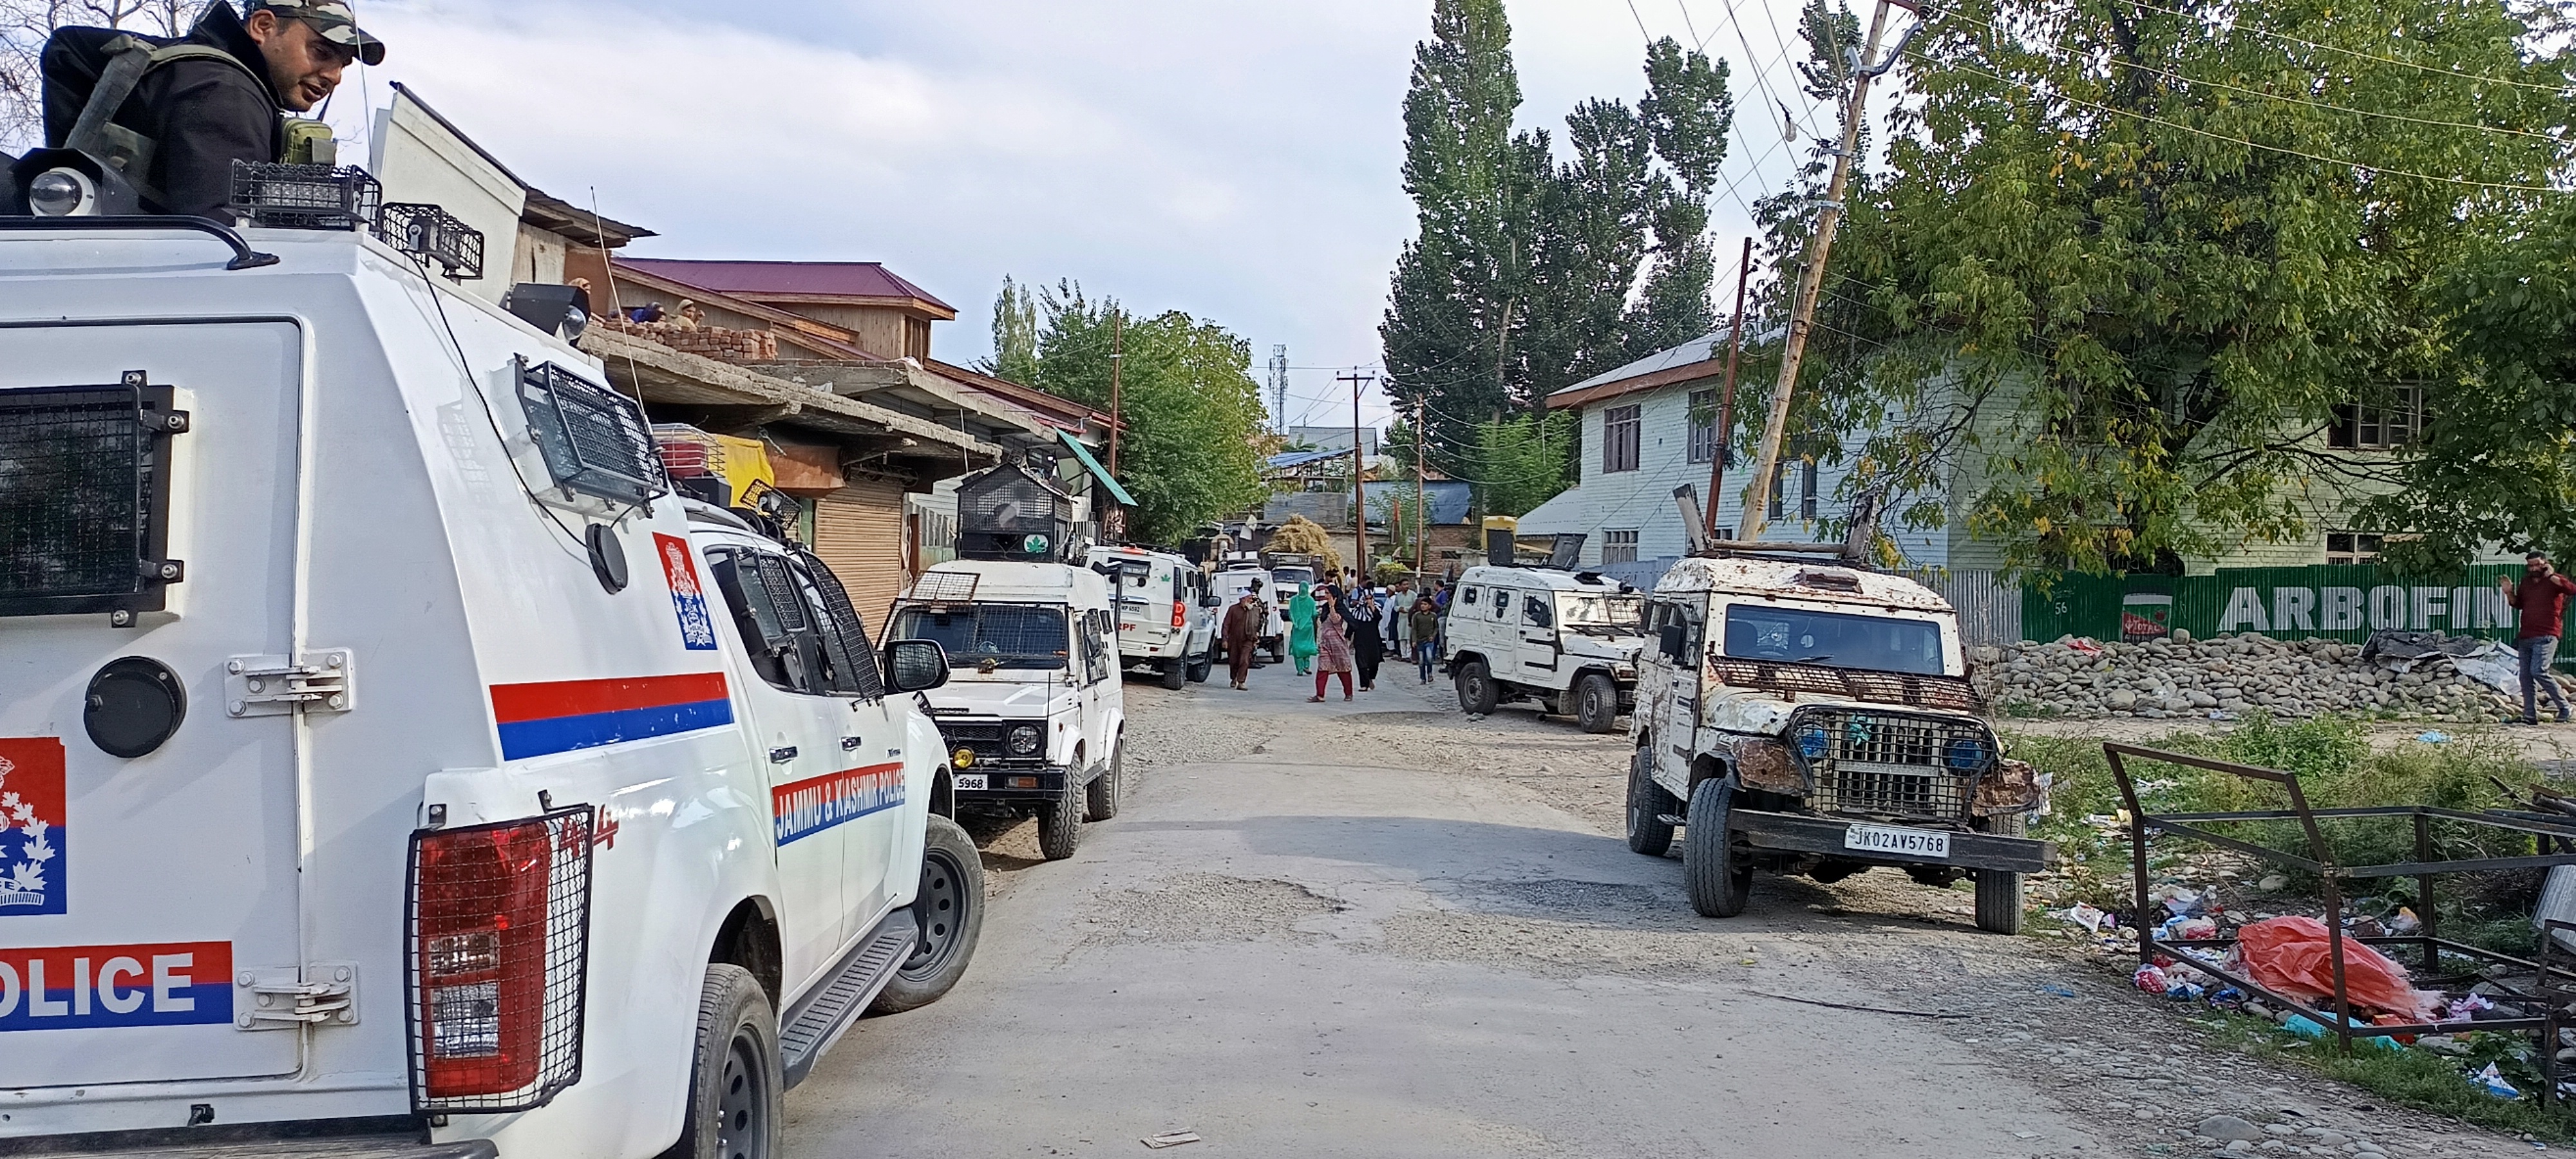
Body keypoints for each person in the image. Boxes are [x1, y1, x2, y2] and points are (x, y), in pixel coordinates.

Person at [76, 1, 384, 219]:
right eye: (321, 52)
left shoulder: (194, 69)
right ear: (263, 27)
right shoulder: (226, 92)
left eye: (342, 64)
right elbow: (218, 239)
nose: (335, 76)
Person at [2502, 551, 2576, 724]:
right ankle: (2530, 715)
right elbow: (2518, 604)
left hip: (2547, 634)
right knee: (2526, 676)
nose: (2534, 568)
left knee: (2539, 671)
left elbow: (2571, 589)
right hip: (2526, 635)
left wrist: (2552, 576)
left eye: (2537, 564)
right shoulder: (2526, 583)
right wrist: (2508, 593)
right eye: (2531, 565)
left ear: (2545, 563)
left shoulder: (2554, 580)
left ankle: (2565, 707)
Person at [1309, 601, 1356, 702]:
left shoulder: (1339, 609)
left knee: (1343, 668)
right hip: (1326, 643)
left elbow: (1336, 620)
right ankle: (1320, 695)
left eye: (1328, 593)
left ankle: (1348, 693)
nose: (1326, 596)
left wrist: (1332, 606)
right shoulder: (1325, 608)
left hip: (1338, 644)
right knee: (1323, 667)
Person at [1220, 585, 1265, 690]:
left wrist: (1256, 637)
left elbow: (1258, 624)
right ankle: (1234, 678)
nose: (1250, 600)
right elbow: (1226, 625)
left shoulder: (1254, 610)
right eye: (1248, 598)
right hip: (1234, 640)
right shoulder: (1233, 609)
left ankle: (1241, 682)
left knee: (1244, 660)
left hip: (1248, 640)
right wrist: (1225, 639)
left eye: (1251, 598)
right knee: (1233, 661)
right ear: (1242, 599)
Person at [1345, 579, 1385, 692]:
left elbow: (1378, 618)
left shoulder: (1377, 608)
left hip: (1373, 639)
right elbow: (1351, 625)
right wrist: (1347, 637)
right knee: (1361, 662)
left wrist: (1372, 607)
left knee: (1374, 661)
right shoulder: (1357, 611)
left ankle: (1370, 678)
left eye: (1370, 599)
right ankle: (1364, 684)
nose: (1368, 601)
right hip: (1360, 639)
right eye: (1366, 599)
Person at [1287, 581, 1319, 675]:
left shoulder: (1293, 600)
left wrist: (1296, 622)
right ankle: (1306, 666)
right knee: (1307, 647)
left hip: (1297, 628)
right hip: (1308, 627)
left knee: (1297, 648)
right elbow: (1314, 614)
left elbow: (1291, 614)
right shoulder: (1311, 601)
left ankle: (1300, 669)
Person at [1408, 596, 1442, 685]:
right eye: (1422, 604)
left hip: (1429, 641)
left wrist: (1433, 636)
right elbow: (1414, 629)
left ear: (1430, 606)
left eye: (1425, 604)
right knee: (1422, 661)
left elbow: (1436, 628)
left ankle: (1430, 673)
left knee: (1430, 658)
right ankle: (1423, 678)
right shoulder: (1417, 616)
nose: (1423, 606)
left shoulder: (1433, 616)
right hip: (1420, 641)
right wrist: (1414, 640)